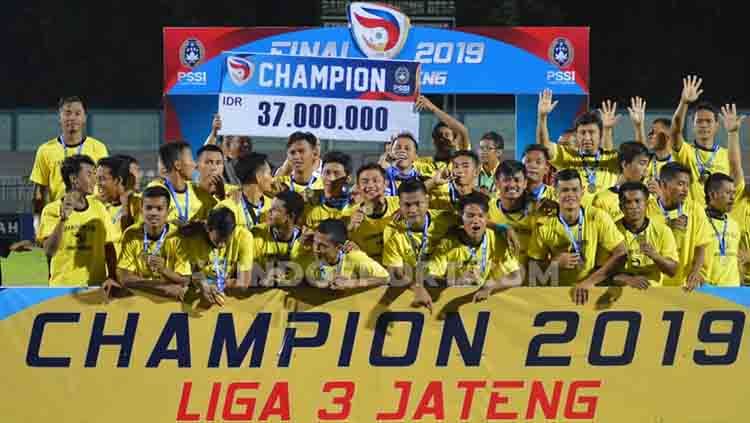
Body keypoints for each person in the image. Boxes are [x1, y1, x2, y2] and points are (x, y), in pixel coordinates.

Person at [527, 169, 627, 304]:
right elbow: (532, 269)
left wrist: (589, 282)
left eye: (574, 190)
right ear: (555, 193)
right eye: (564, 190)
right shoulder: (543, 225)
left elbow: (621, 253)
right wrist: (554, 264)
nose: (570, 195)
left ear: (582, 191)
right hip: (557, 295)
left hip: (591, 291)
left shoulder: (597, 217)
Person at [37, 155, 118, 287]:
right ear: (74, 179)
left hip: (95, 287)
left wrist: (112, 276)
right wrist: (63, 220)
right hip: (62, 289)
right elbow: (49, 250)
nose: (95, 180)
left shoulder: (99, 207)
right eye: (89, 174)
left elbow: (108, 246)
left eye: (95, 175)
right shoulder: (51, 210)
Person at [31, 97, 109, 229]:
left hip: (91, 219)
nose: (72, 118)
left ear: (84, 118)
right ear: (59, 117)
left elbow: (105, 185)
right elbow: (39, 191)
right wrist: (38, 222)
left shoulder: (98, 148)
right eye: (67, 113)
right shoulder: (45, 150)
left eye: (77, 113)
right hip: (59, 217)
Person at [427, 192, 521, 299]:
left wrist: (489, 286)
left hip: (484, 302)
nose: (475, 221)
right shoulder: (447, 244)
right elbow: (429, 278)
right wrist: (455, 282)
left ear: (487, 217)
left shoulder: (496, 239)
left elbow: (516, 277)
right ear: (461, 218)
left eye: (480, 216)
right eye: (470, 216)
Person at [382, 179, 458, 310]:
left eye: (418, 203)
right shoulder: (392, 230)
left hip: (448, 292)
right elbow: (395, 272)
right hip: (411, 294)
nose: (412, 210)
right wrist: (418, 288)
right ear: (399, 205)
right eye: (407, 205)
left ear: (427, 200)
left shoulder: (447, 219)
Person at [537, 90, 620, 203]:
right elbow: (544, 146)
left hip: (606, 214)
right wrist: (542, 117)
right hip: (575, 213)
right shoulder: (567, 156)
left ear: (600, 134)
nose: (587, 137)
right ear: (576, 135)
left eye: (591, 132)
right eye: (582, 133)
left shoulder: (613, 157)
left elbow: (640, 160)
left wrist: (637, 126)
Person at [108, 186, 191, 300]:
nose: (153, 213)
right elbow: (124, 277)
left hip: (168, 304)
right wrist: (162, 287)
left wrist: (164, 270)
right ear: (141, 210)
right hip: (140, 301)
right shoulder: (131, 234)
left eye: (159, 209)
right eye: (148, 208)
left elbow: (186, 280)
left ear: (168, 211)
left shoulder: (178, 237)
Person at [646, 162, 712, 289]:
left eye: (687, 185)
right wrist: (668, 227)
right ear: (663, 185)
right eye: (680, 184)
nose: (685, 190)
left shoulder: (695, 209)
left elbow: (701, 246)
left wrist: (695, 271)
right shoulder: (647, 209)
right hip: (655, 284)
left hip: (683, 284)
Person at [488, 160, 554, 281]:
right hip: (496, 284)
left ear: (525, 183)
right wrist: (500, 228)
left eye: (517, 180)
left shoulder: (541, 210)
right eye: (506, 180)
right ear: (497, 183)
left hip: (532, 283)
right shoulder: (487, 209)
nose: (512, 185)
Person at [670, 76, 730, 205]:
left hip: (718, 214)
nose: (703, 125)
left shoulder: (727, 155)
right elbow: (675, 131)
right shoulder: (686, 151)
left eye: (708, 121)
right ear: (693, 125)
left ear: (717, 125)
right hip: (692, 215)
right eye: (699, 121)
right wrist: (684, 102)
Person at [181, 207, 254, 304]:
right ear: (208, 229)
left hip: (220, 294)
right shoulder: (194, 237)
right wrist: (203, 284)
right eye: (218, 240)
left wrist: (216, 285)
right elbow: (194, 271)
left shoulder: (244, 237)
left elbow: (243, 283)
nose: (222, 245)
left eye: (226, 240)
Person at [612, 182, 678, 287]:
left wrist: (655, 256)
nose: (633, 206)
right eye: (628, 202)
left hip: (653, 293)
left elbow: (672, 271)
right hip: (621, 293)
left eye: (637, 201)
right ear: (621, 207)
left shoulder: (663, 231)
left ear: (646, 204)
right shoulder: (611, 231)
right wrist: (628, 279)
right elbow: (601, 271)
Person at [300, 219, 389, 289]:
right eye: (315, 242)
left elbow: (386, 278)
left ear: (338, 247)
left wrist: (352, 283)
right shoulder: (309, 255)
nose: (316, 249)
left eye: (323, 246)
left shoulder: (354, 257)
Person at [148, 141, 212, 225]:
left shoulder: (199, 192)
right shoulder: (156, 191)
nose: (195, 165)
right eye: (191, 159)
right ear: (177, 165)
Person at [251, 190, 306, 287]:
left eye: (274, 209)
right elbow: (246, 273)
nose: (269, 212)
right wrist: (262, 279)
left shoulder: (307, 242)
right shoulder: (257, 234)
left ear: (290, 216)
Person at [348, 163, 401, 263]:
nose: (370, 185)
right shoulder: (349, 215)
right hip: (371, 269)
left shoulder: (400, 204)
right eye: (365, 182)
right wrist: (349, 229)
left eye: (376, 180)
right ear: (358, 187)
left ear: (385, 184)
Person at [413, 95, 471, 178]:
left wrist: (432, 108)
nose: (443, 138)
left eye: (447, 135)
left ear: (454, 140)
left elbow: (462, 131)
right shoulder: (422, 163)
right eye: (439, 135)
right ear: (434, 141)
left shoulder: (460, 160)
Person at [592, 142, 651, 221]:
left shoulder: (649, 198)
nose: (646, 172)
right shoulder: (601, 200)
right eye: (642, 163)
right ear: (625, 164)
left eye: (647, 165)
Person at [702, 173, 742, 286]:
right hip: (708, 290)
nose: (733, 197)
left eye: (734, 193)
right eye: (728, 193)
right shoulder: (698, 222)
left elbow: (736, 260)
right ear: (713, 195)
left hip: (734, 290)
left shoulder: (734, 224)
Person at [216, 152, 273, 230]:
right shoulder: (228, 207)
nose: (272, 179)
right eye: (269, 173)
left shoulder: (272, 206)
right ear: (258, 177)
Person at [96, 156, 141, 254]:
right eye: (97, 179)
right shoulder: (95, 205)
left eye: (102, 179)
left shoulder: (138, 203)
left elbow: (132, 239)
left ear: (118, 180)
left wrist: (125, 205)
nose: (98, 184)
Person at [301, 151, 355, 229]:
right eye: (327, 172)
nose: (331, 178)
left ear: (348, 179)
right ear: (321, 174)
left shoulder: (355, 206)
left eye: (337, 173)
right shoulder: (307, 199)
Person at [204, 114, 252, 185]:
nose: (245, 144)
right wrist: (214, 132)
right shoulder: (218, 161)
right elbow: (206, 154)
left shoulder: (249, 164)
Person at [382, 132, 424, 196]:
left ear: (415, 156)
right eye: (398, 148)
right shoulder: (382, 176)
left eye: (407, 149)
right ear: (391, 153)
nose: (402, 151)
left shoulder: (422, 180)